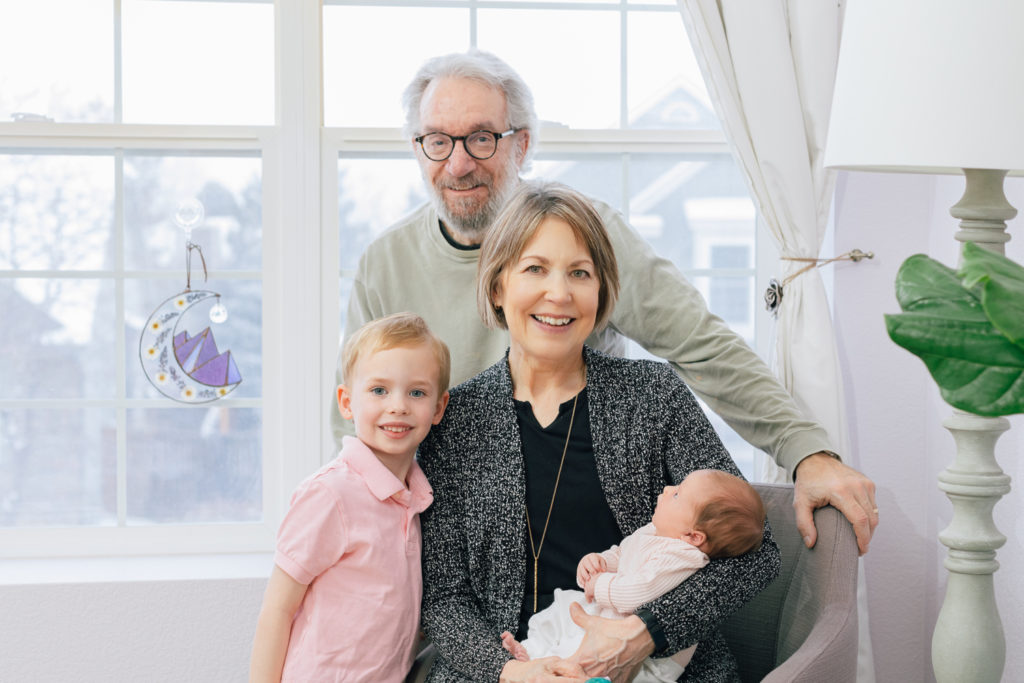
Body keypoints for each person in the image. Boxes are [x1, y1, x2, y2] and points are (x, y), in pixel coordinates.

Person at [336, 48, 878, 557]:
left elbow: (700, 343)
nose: (457, 165)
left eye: (481, 138)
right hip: (460, 548)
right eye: (437, 140)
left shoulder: (588, 236)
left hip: (602, 535)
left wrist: (807, 450)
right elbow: (354, 427)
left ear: (521, 145)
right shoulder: (384, 265)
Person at [417, 180, 780, 682]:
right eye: (535, 269)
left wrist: (647, 631)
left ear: (602, 291)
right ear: (498, 286)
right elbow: (443, 596)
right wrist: (508, 672)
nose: (559, 293)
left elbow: (755, 555)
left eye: (580, 273)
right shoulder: (452, 423)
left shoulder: (652, 397)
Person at [250, 313, 450, 683]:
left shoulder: (417, 498)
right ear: (346, 402)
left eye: (417, 393)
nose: (398, 406)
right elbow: (277, 609)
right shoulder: (329, 494)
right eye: (379, 390)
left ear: (438, 408)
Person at [499, 469, 767, 683]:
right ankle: (532, 653)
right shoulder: (656, 533)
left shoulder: (683, 557)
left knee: (583, 650)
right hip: (611, 617)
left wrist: (599, 584)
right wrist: (600, 562)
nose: (667, 488)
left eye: (677, 495)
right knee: (563, 607)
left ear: (693, 536)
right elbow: (623, 554)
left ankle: (547, 665)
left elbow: (638, 593)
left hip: (647, 663)